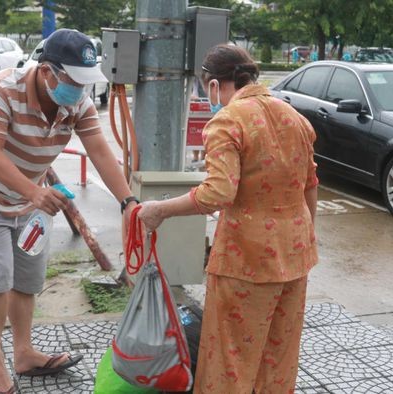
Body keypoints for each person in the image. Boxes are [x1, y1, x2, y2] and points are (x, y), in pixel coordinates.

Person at [0, 28, 138, 394]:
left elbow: (101, 152)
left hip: (32, 199)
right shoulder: (0, 90)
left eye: (86, 83)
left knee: (27, 278)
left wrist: (128, 203)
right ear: (47, 72)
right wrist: (33, 192)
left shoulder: (77, 103)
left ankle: (23, 353)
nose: (81, 91)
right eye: (74, 81)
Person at [137, 44, 319, 393]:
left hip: (245, 260)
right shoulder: (294, 117)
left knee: (230, 357)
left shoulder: (227, 121)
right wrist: (306, 238)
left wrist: (159, 210)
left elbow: (218, 193)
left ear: (215, 85)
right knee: (279, 355)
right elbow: (310, 183)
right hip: (296, 256)